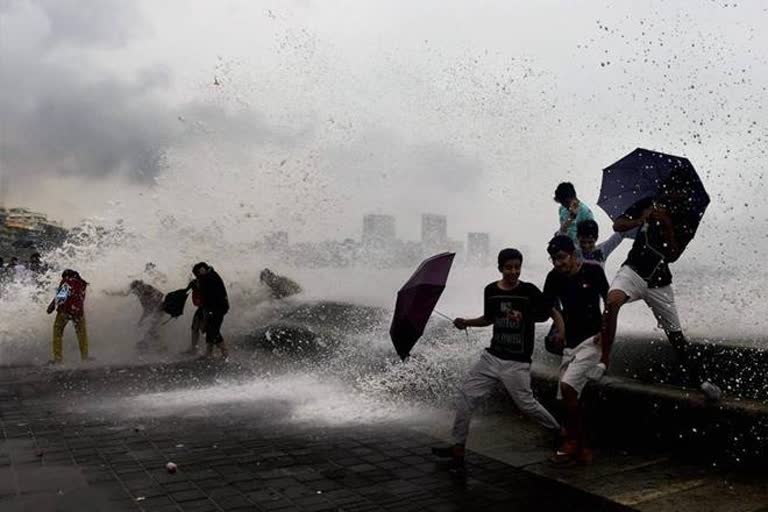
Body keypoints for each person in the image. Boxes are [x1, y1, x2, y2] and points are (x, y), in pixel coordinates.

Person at [431, 248, 565, 473]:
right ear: (500, 268)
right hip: (491, 357)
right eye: (508, 267)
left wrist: (561, 332)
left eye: (517, 267)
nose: (513, 271)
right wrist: (466, 322)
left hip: (517, 361)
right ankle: (457, 448)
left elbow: (553, 312)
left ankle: (558, 432)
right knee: (466, 396)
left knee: (527, 404)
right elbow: (488, 319)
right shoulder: (491, 291)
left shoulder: (529, 291)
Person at [600, 173, 721, 401]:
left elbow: (673, 255)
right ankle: (603, 361)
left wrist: (666, 226)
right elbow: (618, 224)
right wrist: (640, 219)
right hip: (633, 270)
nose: (672, 194)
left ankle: (700, 380)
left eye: (678, 191)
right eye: (669, 189)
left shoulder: (687, 219)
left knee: (676, 336)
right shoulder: (648, 202)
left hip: (660, 281)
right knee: (612, 302)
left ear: (685, 194)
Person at [544, 235, 609, 465]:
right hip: (569, 344)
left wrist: (605, 330)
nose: (558, 263)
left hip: (592, 341)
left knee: (568, 386)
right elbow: (550, 307)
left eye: (561, 257)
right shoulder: (553, 278)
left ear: (572, 254)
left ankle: (577, 444)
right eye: (553, 259)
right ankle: (575, 440)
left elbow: (608, 304)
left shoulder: (593, 271)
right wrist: (559, 330)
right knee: (565, 397)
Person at [106, 280, 167, 352]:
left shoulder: (146, 288)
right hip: (154, 311)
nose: (136, 292)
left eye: (136, 289)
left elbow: (161, 295)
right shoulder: (139, 293)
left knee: (151, 330)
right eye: (135, 290)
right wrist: (111, 293)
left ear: (140, 285)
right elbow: (125, 294)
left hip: (159, 311)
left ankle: (156, 346)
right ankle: (156, 346)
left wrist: (155, 302)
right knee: (151, 330)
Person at [46, 269, 90, 364]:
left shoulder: (67, 281)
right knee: (82, 335)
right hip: (78, 312)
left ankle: (58, 358)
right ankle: (85, 357)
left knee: (57, 333)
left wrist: (52, 306)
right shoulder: (82, 284)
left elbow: (61, 296)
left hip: (65, 311)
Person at [192, 262, 230, 360]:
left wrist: (206, 314)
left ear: (202, 270)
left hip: (218, 308)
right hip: (216, 307)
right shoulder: (211, 275)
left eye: (197, 274)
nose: (197, 277)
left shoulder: (208, 277)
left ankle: (224, 353)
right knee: (211, 329)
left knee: (212, 329)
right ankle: (209, 353)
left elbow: (206, 296)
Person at [181, 277, 206, 355]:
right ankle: (194, 348)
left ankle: (213, 348)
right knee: (195, 328)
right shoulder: (194, 284)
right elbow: (185, 291)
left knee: (203, 328)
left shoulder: (205, 286)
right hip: (201, 308)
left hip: (206, 308)